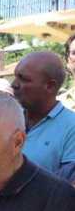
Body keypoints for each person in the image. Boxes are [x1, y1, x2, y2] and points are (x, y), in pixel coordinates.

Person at [11, 52, 75, 181]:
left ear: (50, 86)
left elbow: (65, 187)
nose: (14, 84)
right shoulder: (7, 120)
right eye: (16, 77)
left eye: (24, 79)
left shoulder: (71, 127)